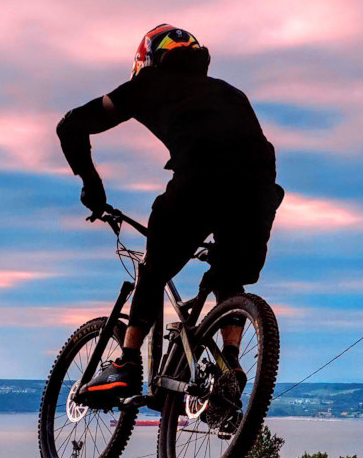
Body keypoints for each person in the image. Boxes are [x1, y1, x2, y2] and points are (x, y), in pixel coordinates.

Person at [56, 24, 283, 406]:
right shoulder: (231, 93)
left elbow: (71, 125)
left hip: (201, 182)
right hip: (259, 193)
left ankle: (128, 363)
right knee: (228, 274)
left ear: (148, 59)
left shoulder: (148, 85)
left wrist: (91, 185)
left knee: (155, 267)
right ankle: (229, 365)